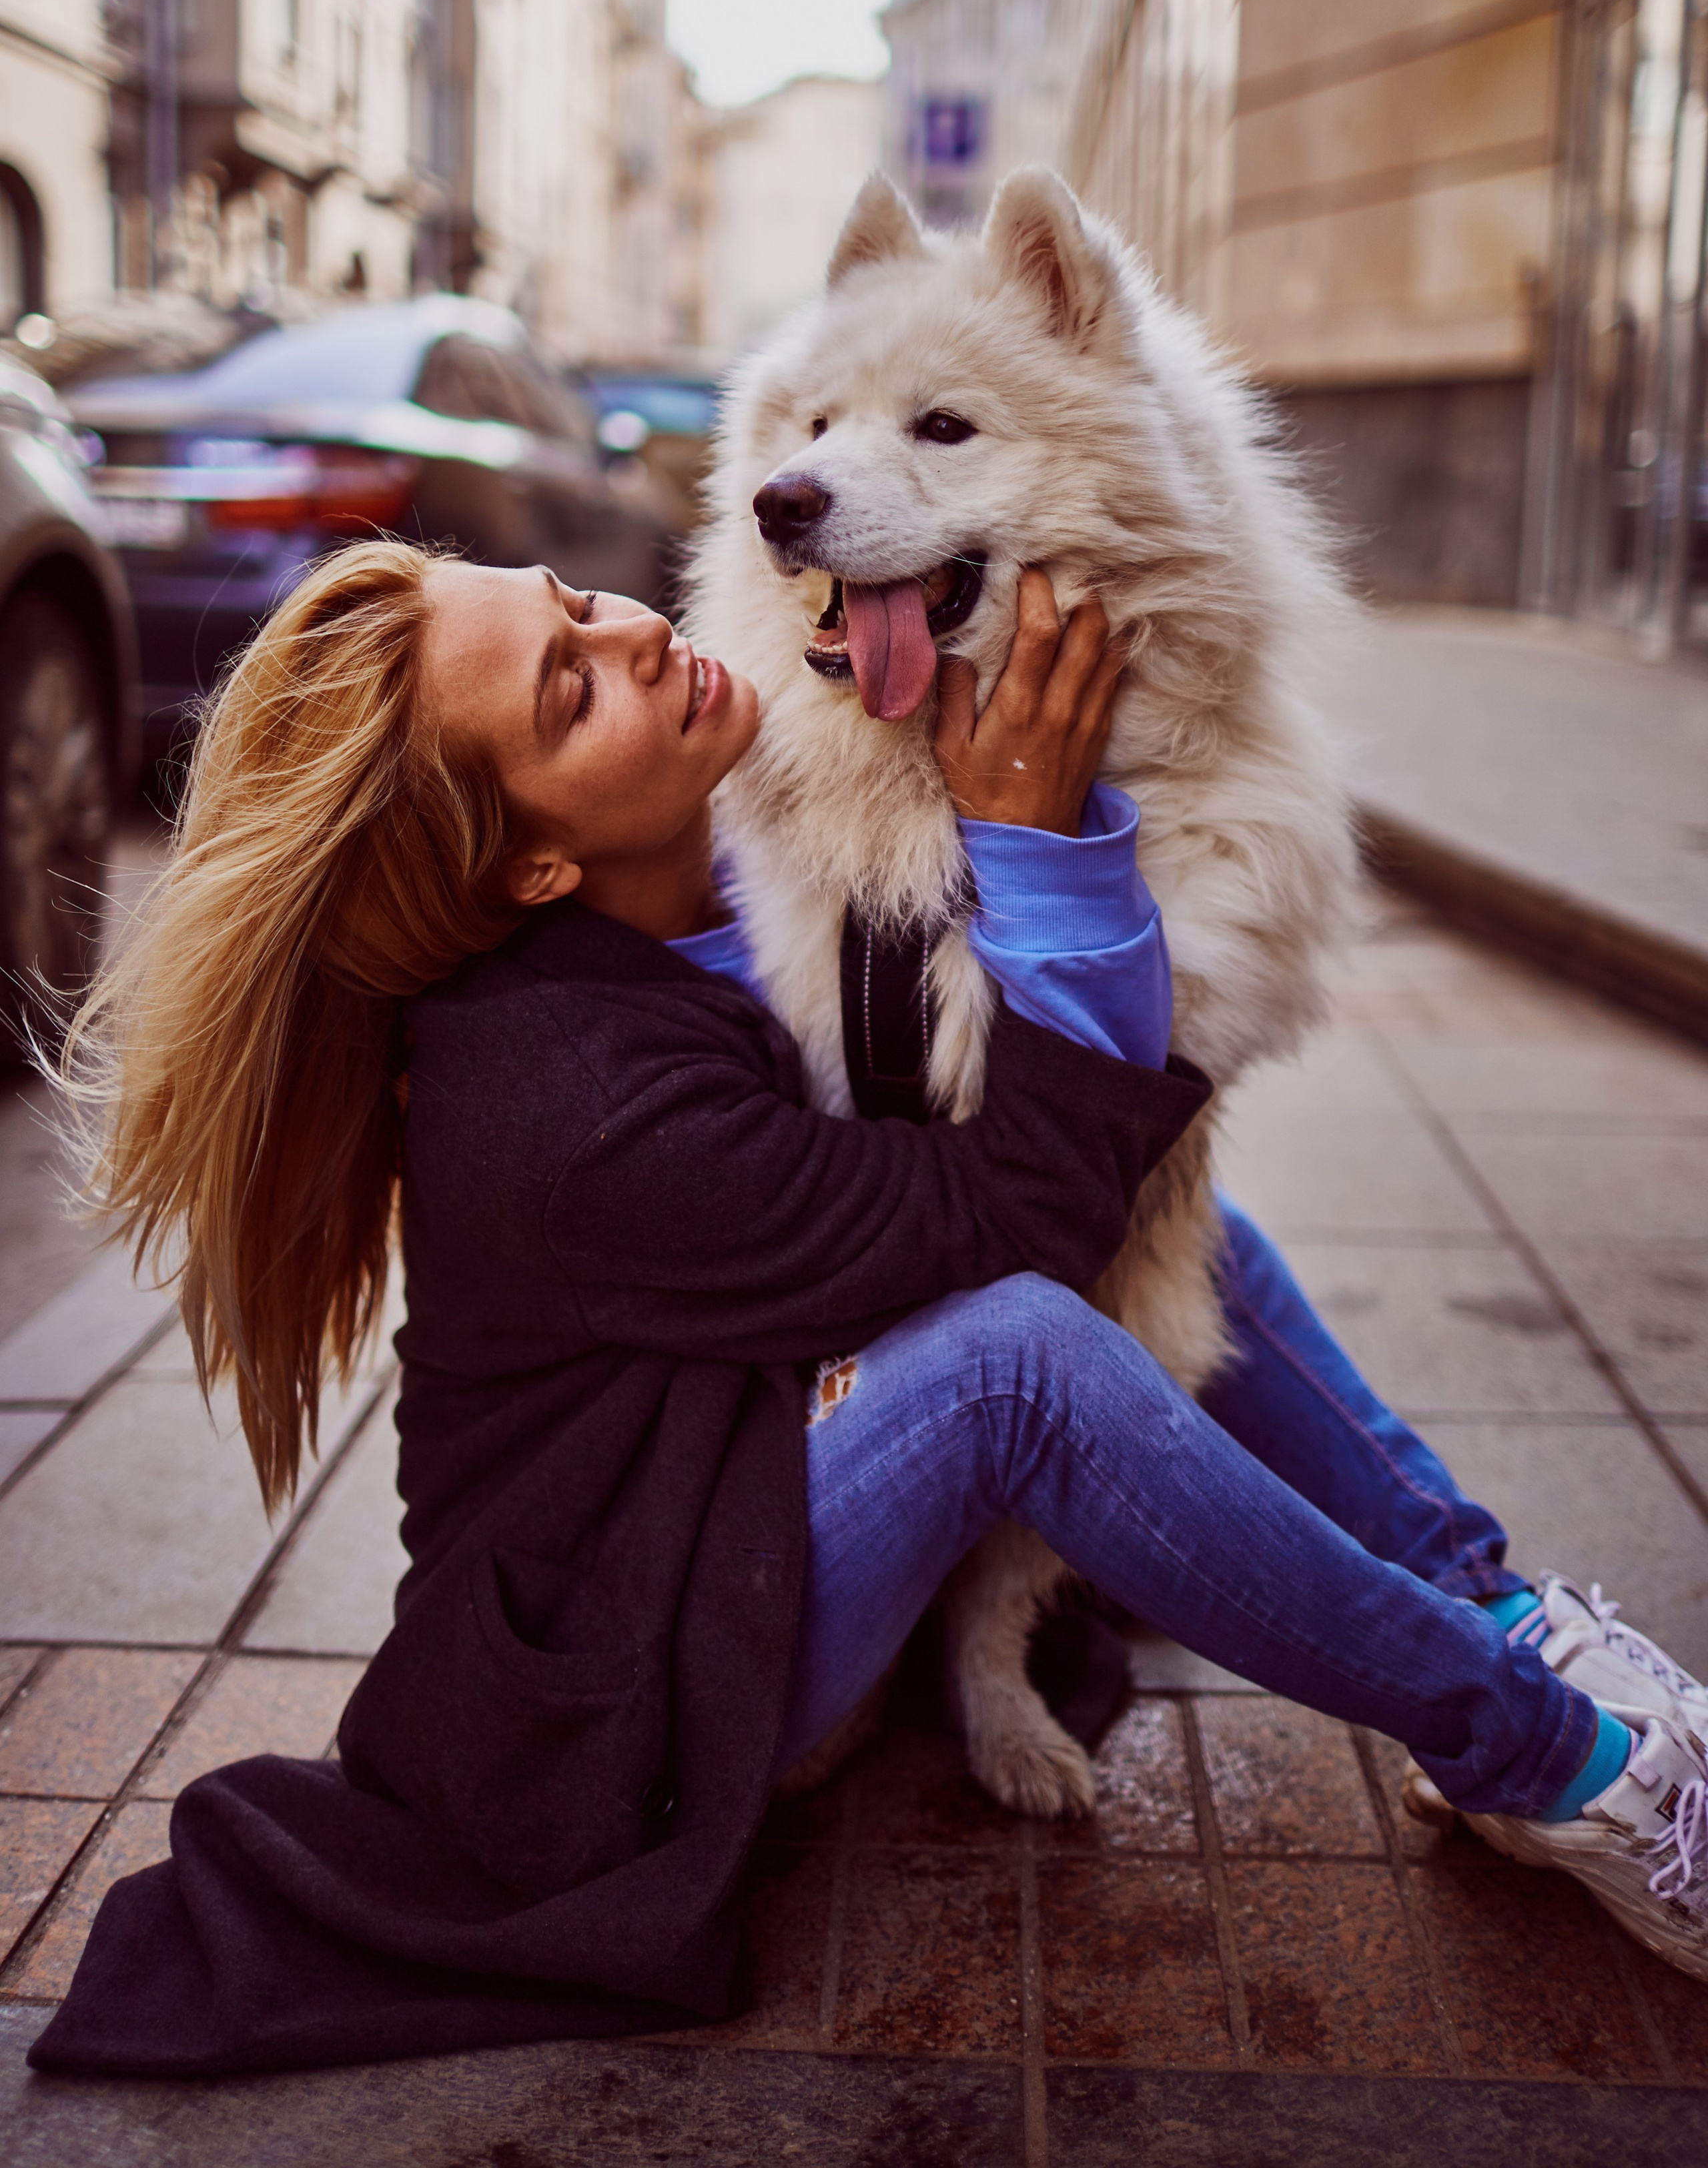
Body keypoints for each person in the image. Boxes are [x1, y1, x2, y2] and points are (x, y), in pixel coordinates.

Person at [29, 539, 1708, 2079]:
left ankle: (1491, 1610)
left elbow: (1073, 1181)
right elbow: (1019, 1217)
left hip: (739, 1487)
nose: (627, 633)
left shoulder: (701, 887)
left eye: (573, 602)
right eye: (568, 688)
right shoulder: (563, 1111)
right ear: (534, 863)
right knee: (1023, 1365)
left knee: (1203, 1240)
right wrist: (1040, 844)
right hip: (639, 1674)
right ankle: (1553, 1763)